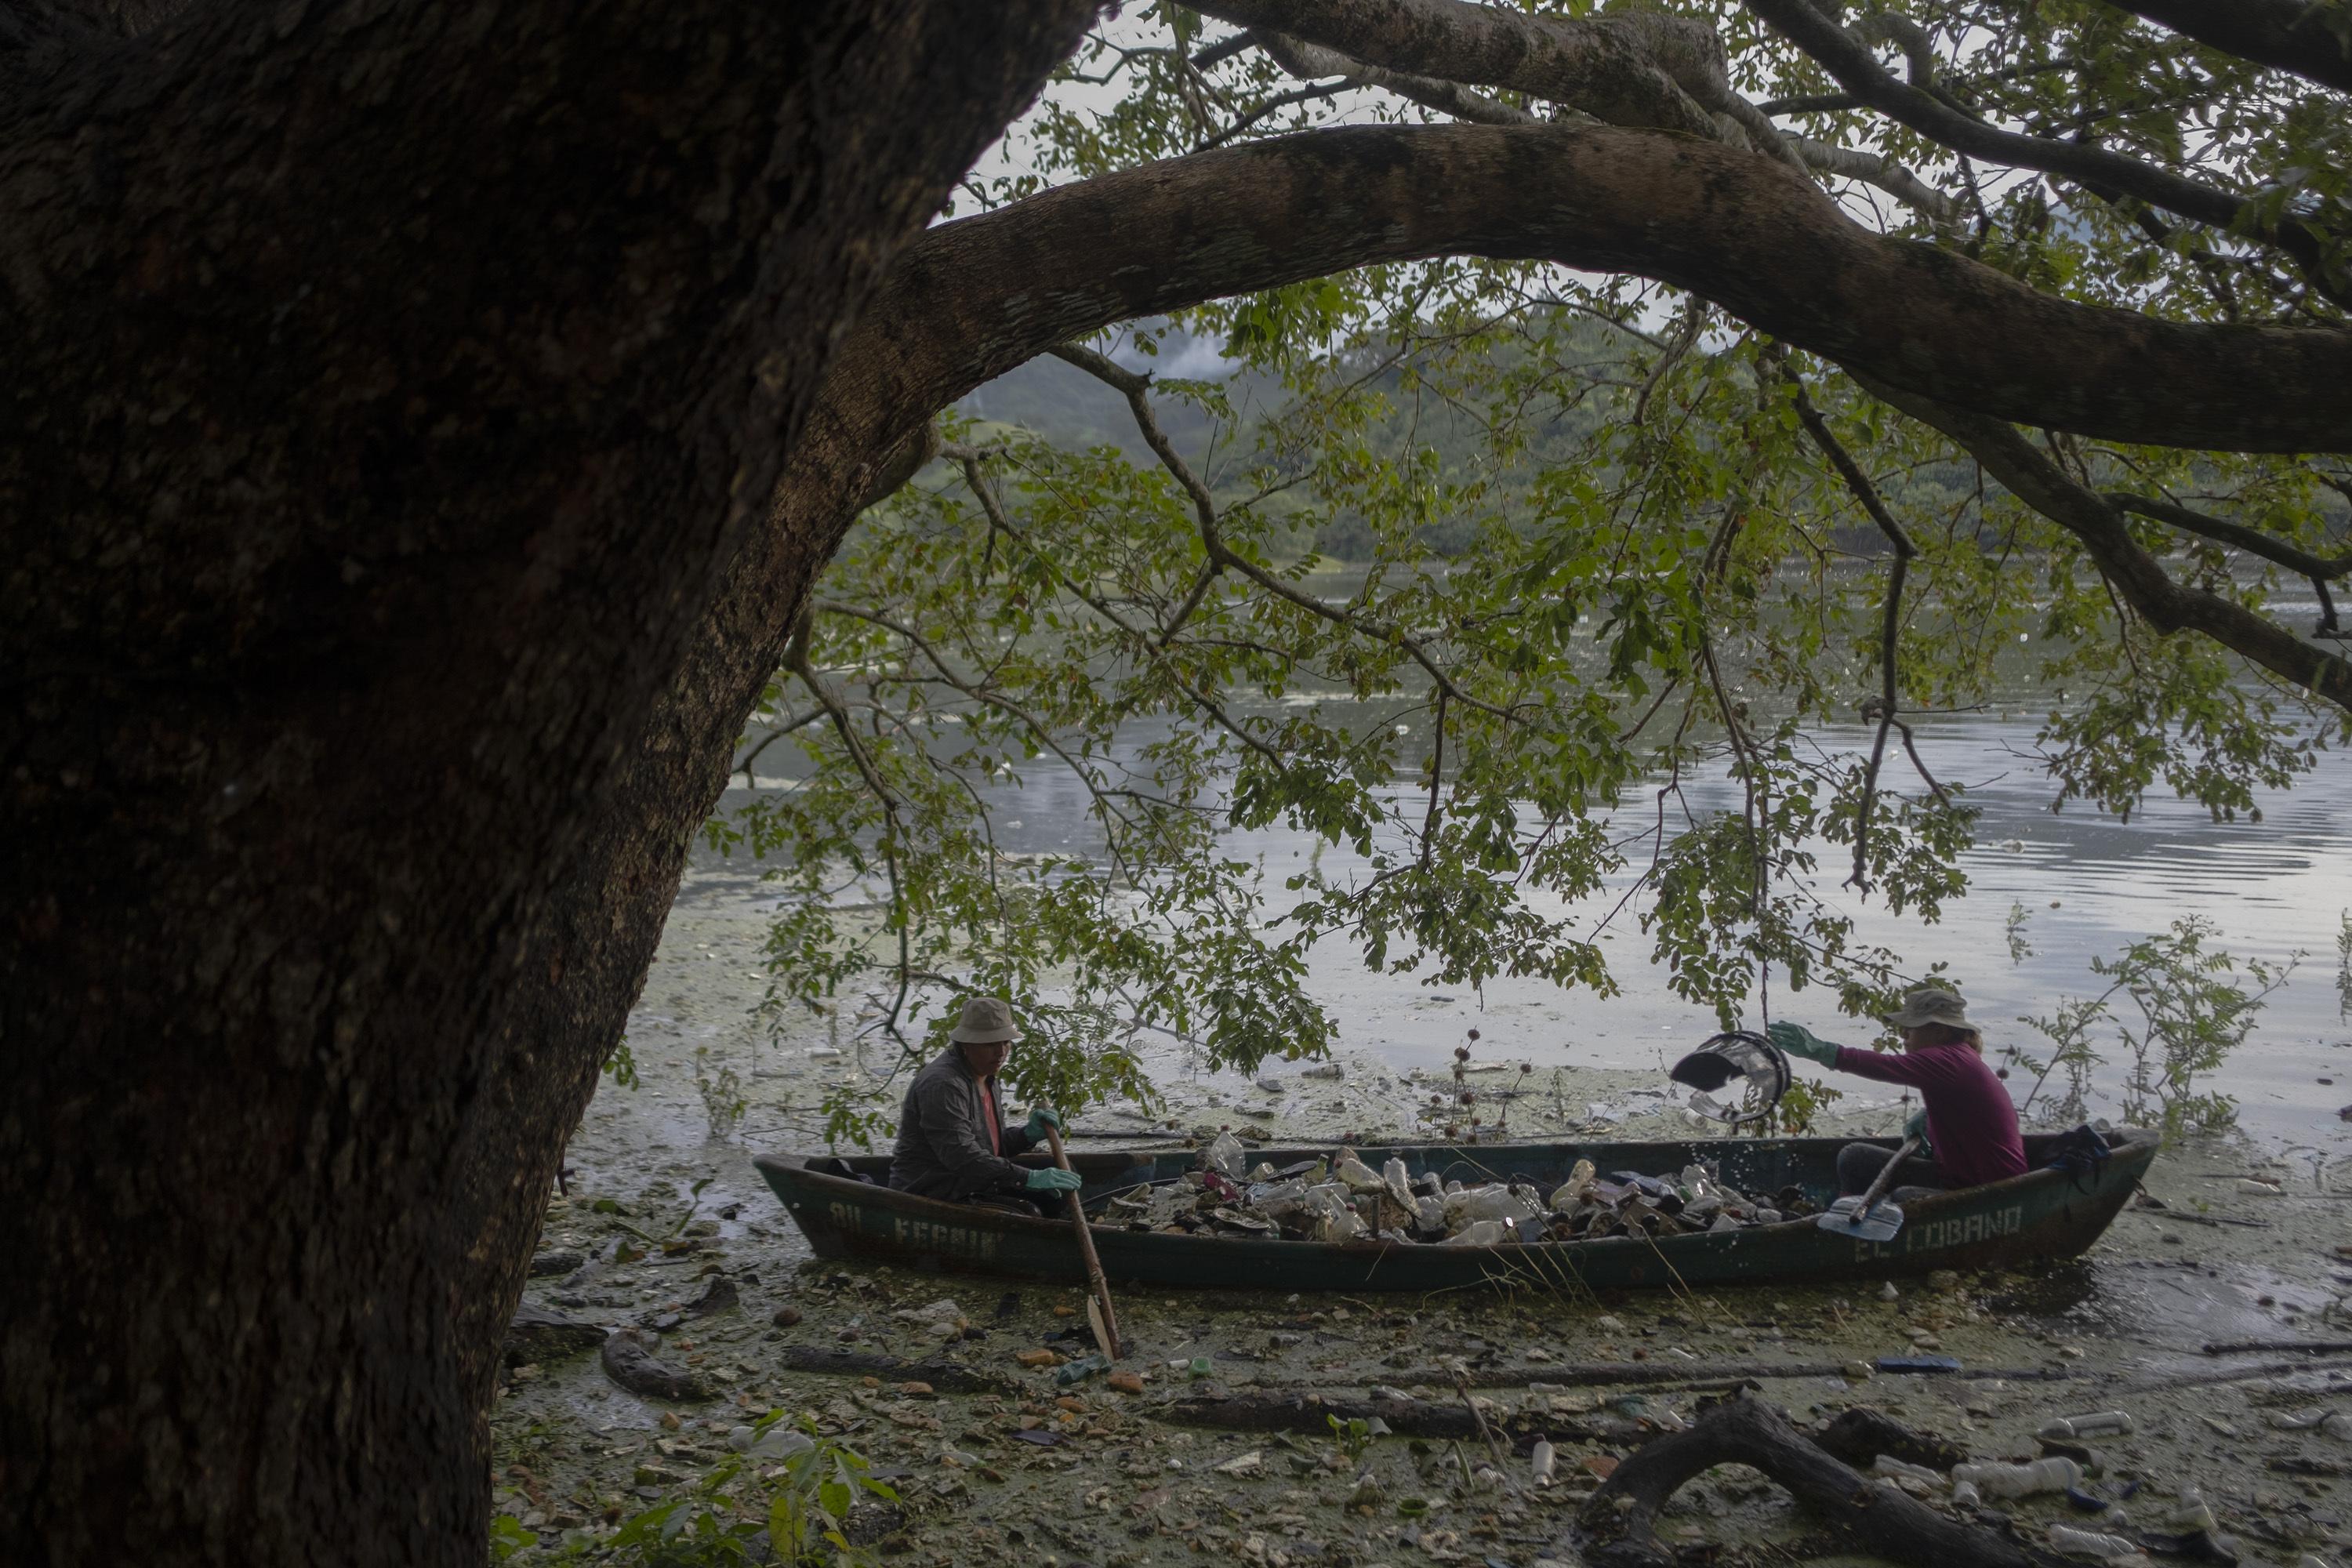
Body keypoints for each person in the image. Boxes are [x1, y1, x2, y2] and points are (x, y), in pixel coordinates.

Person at [1767, 987, 2027, 1196]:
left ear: (1940, 1031)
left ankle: (1851, 1236)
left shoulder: (1948, 1060)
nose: (1904, 1034)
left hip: (1990, 1190)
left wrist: (1821, 1050)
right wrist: (1931, 1120)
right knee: (1854, 1157)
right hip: (1958, 1177)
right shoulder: (1960, 1059)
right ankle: (1847, 1215)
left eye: (1911, 1028)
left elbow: (1886, 1066)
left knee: (1906, 1198)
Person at [887, 996, 1077, 1212]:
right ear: (967, 1044)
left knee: (1063, 1172)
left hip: (973, 1178)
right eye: (990, 1044)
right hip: (937, 1188)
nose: (1001, 1052)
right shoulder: (943, 1085)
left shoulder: (986, 1076)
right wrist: (1028, 1178)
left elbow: (989, 1147)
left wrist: (1026, 1135)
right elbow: (963, 1156)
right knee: (1028, 1212)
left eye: (1005, 1042)